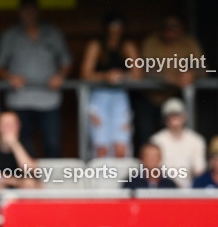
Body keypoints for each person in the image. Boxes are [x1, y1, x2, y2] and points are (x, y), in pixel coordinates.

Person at [0, 0, 70, 159]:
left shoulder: (53, 33)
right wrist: (10, 77)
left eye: (32, 11)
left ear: (38, 12)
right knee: (21, 144)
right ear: (20, 13)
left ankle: (53, 183)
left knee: (52, 143)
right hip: (20, 99)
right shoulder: (10, 35)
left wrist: (60, 76)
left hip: (49, 99)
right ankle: (24, 182)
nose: (29, 15)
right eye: (25, 11)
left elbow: (66, 62)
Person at [80, 12, 141, 158]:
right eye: (112, 26)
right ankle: (101, 179)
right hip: (99, 95)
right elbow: (85, 74)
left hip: (120, 94)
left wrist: (122, 76)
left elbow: (138, 74)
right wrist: (105, 76)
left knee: (121, 146)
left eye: (119, 26)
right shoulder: (96, 45)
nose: (115, 30)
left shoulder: (127, 45)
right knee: (101, 147)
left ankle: (121, 179)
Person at [138, 15, 205, 146]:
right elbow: (145, 70)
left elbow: (203, 69)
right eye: (166, 27)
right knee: (146, 139)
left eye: (174, 27)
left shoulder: (189, 43)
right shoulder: (152, 41)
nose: (169, 31)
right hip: (150, 98)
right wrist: (169, 77)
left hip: (173, 98)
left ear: (181, 28)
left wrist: (191, 73)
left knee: (174, 137)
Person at [149, 98, 206, 189]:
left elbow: (199, 170)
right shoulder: (156, 140)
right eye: (170, 115)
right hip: (164, 187)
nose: (174, 119)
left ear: (184, 117)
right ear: (165, 119)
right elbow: (153, 169)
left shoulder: (196, 140)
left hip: (190, 188)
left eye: (177, 115)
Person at [0, 111, 40, 189]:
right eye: (5, 125)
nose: (9, 128)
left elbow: (30, 169)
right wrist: (15, 182)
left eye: (13, 124)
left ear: (19, 126)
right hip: (1, 183)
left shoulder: (25, 142)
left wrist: (15, 144)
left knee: (30, 183)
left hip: (23, 185)